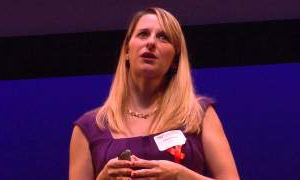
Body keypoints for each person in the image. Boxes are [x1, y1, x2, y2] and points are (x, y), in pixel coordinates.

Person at [69, 7, 239, 180]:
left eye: (163, 37)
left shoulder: (198, 115)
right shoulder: (88, 128)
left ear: (175, 60)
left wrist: (181, 175)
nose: (151, 43)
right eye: (143, 34)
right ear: (127, 51)